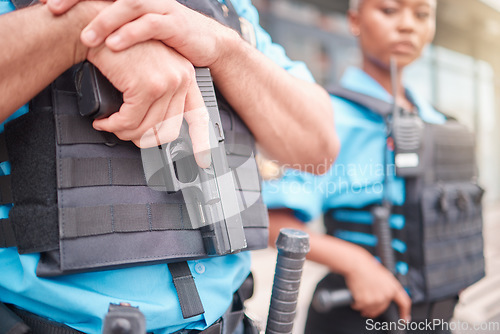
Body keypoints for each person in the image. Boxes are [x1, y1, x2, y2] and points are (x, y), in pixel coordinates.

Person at [0, 0, 340, 332]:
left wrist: (222, 49)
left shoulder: (224, 9)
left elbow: (317, 149)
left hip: (230, 319)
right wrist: (83, 28)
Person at [264, 0, 484, 333]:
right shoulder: (329, 117)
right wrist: (357, 264)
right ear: (355, 20)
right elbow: (272, 221)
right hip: (358, 316)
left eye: (422, 14)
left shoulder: (438, 122)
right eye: (389, 10)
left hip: (435, 317)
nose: (407, 24)